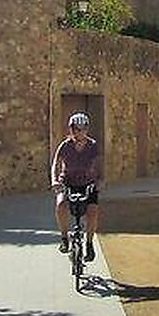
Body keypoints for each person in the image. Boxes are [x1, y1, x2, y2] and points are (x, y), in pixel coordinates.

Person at [51, 111, 104, 261]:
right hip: (67, 182)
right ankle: (64, 238)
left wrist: (100, 180)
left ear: (87, 129)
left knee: (92, 211)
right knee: (61, 204)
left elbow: (99, 164)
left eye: (82, 129)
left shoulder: (93, 146)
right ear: (71, 129)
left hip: (87, 183)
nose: (79, 132)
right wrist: (55, 180)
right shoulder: (65, 146)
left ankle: (89, 244)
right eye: (76, 129)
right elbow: (55, 163)